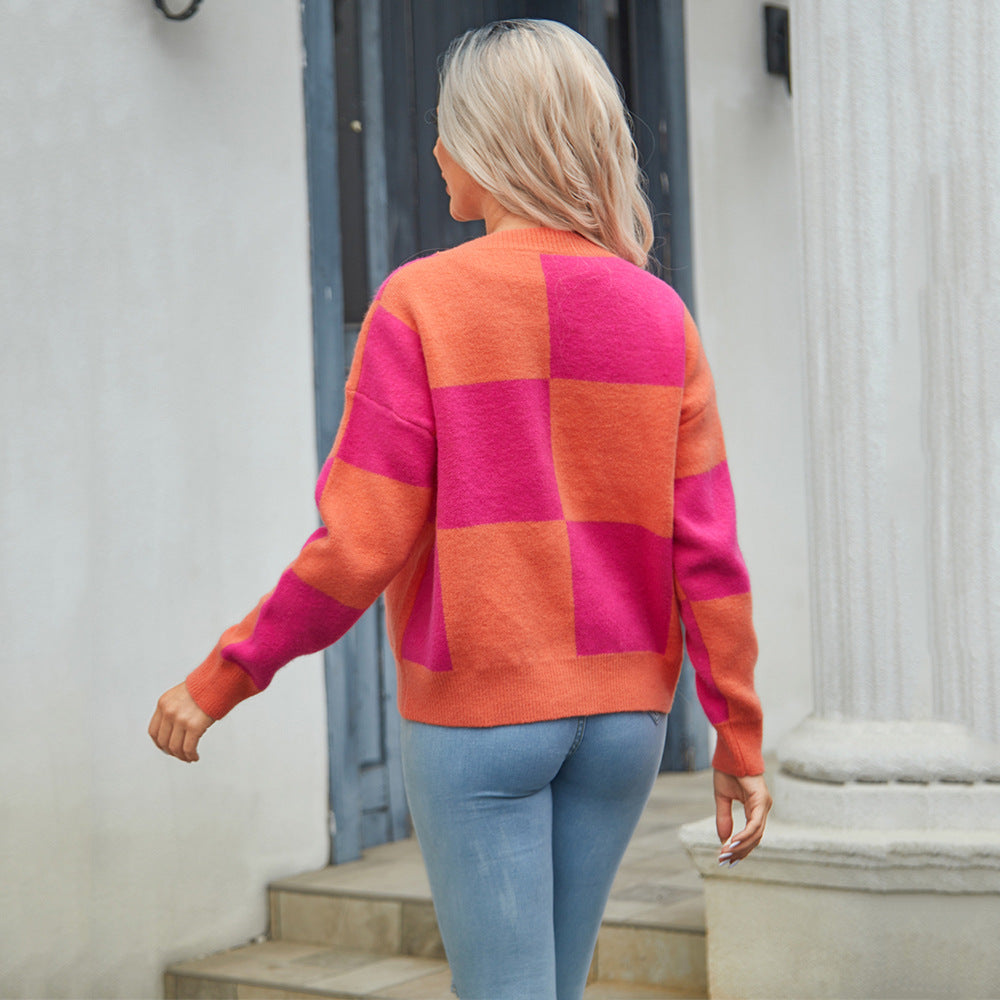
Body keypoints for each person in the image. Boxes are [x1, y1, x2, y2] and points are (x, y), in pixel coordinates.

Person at [149, 18, 771, 1000]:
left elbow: (358, 546)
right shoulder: (663, 317)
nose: (436, 151)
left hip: (482, 716)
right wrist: (737, 734)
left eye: (450, 129)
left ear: (492, 143)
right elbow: (710, 555)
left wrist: (225, 675)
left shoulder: (421, 304)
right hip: (626, 723)